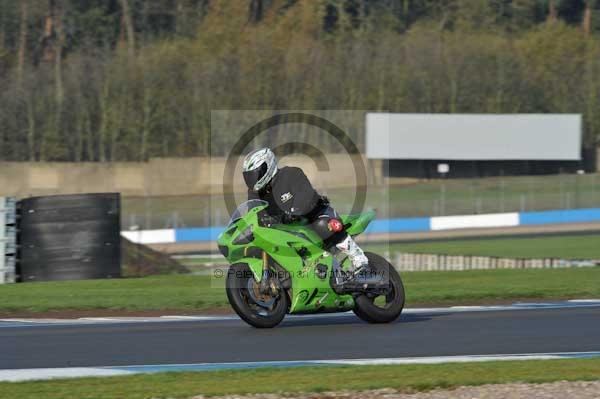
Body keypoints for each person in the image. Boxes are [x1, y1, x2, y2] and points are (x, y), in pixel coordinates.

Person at [242, 147, 369, 274]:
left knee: (324, 225)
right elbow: (254, 212)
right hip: (284, 229)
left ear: (268, 166)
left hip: (315, 215)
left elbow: (306, 196)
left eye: (255, 174)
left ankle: (359, 259)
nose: (253, 179)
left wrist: (294, 211)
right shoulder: (255, 193)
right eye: (249, 176)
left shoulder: (291, 174)